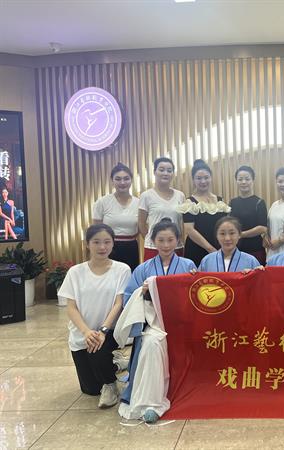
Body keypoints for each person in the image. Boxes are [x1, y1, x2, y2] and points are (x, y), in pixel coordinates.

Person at [120, 218, 196, 423]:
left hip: (181, 323)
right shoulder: (143, 268)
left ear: (178, 241)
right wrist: (143, 291)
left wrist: (192, 280)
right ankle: (151, 402)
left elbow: (195, 295)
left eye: (170, 240)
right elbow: (128, 298)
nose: (166, 245)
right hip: (153, 323)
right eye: (161, 240)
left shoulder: (188, 265)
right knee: (152, 344)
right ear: (153, 241)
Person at [58, 224, 131, 408]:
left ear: (113, 244)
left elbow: (119, 303)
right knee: (91, 389)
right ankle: (116, 365)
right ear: (87, 244)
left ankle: (111, 385)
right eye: (96, 242)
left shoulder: (122, 269)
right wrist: (86, 332)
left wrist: (102, 331)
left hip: (109, 331)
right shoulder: (75, 272)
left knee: (99, 354)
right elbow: (71, 308)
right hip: (82, 334)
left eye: (107, 242)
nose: (102, 247)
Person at [179, 159, 230, 266]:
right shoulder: (189, 202)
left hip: (219, 247)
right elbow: (189, 230)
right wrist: (210, 249)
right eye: (199, 178)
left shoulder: (220, 200)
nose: (203, 181)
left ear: (211, 178)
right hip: (197, 249)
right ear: (193, 180)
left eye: (206, 177)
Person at [92, 163, 140, 271]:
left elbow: (141, 228)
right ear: (112, 181)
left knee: (130, 277)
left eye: (126, 179)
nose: (122, 182)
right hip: (108, 248)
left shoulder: (139, 203)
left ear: (131, 180)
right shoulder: (102, 202)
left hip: (131, 247)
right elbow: (96, 231)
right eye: (118, 179)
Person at [138, 157, 186, 261]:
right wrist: (154, 240)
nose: (165, 173)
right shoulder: (146, 195)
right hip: (153, 248)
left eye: (169, 170)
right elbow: (141, 224)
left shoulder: (180, 195)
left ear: (173, 174)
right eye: (161, 170)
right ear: (154, 172)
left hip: (176, 246)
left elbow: (182, 223)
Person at [229, 165, 268, 265]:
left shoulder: (259, 202)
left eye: (247, 179)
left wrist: (241, 234)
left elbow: (263, 228)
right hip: (235, 248)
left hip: (255, 249)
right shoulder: (232, 202)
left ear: (252, 180)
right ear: (236, 181)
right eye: (240, 179)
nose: (243, 182)